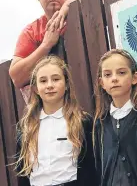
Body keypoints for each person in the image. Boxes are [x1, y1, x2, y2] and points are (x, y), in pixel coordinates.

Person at [15, 56, 97, 186]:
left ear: (66, 84)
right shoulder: (25, 126)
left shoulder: (82, 121)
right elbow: (22, 172)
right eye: (43, 81)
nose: (49, 85)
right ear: (35, 89)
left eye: (56, 79)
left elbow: (92, 166)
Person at [9, 0, 76, 102]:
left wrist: (67, 8)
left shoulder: (82, 14)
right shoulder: (31, 32)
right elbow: (17, 77)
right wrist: (46, 44)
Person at [92, 49, 137, 186]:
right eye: (107, 75)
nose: (114, 78)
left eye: (121, 72)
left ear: (135, 78)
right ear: (102, 83)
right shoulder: (99, 124)